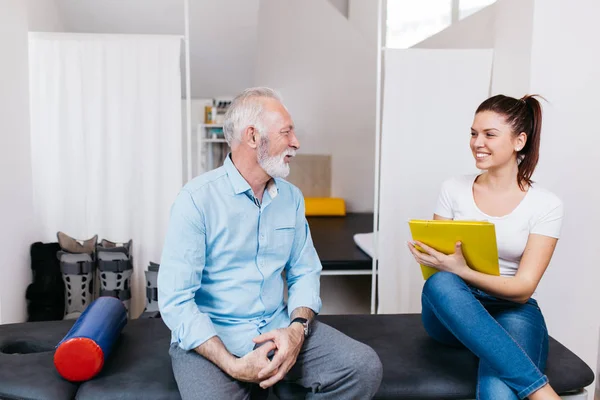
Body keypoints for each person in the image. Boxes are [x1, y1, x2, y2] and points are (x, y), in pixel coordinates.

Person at [158, 87, 383, 399]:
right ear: (253, 137)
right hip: (211, 340)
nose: (296, 142)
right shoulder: (195, 200)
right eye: (286, 132)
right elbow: (177, 301)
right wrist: (232, 365)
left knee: (362, 367)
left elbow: (304, 271)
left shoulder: (290, 198)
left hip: (277, 329)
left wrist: (295, 331)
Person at [407, 94, 564, 400]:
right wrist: (439, 262)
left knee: (498, 390)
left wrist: (464, 270)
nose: (478, 142)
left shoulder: (546, 205)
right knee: (441, 281)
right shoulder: (453, 188)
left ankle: (524, 379)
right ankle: (541, 391)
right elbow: (440, 269)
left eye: (490, 135)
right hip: (453, 309)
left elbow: (523, 289)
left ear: (519, 141)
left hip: (512, 308)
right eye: (474, 133)